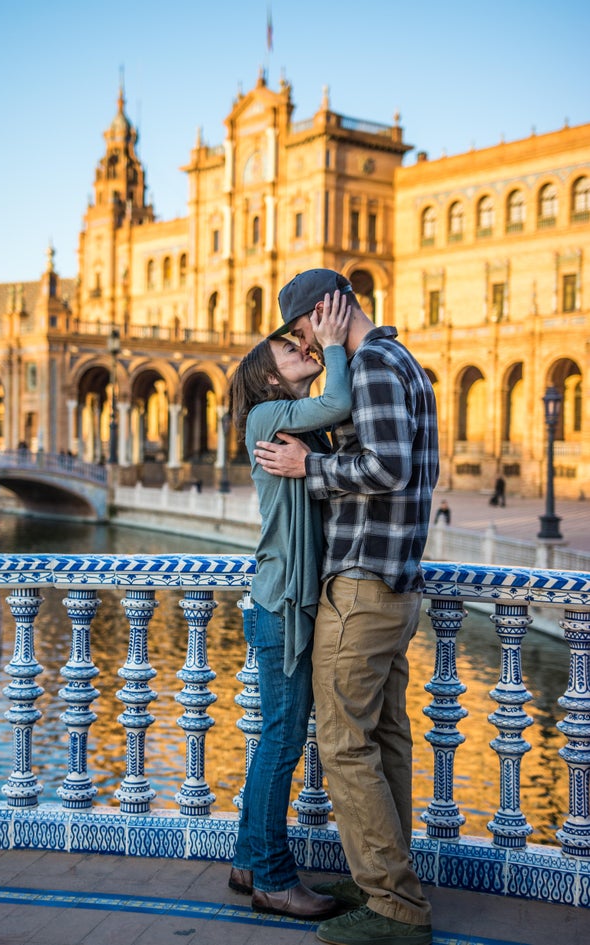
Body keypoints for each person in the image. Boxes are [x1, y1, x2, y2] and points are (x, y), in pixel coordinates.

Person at [253, 269, 438, 945]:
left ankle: (394, 907)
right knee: (384, 734)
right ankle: (385, 881)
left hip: (363, 583)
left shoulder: (376, 364)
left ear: (326, 311)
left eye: (301, 327)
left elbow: (388, 467)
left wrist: (311, 469)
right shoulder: (401, 361)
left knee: (341, 741)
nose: (302, 340)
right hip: (392, 583)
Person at [228, 290, 353, 920]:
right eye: (288, 345)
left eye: (301, 341)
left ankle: (250, 859)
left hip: (279, 598)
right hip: (281, 603)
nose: (301, 346)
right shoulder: (265, 416)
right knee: (282, 742)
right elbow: (342, 399)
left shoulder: (292, 418)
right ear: (267, 374)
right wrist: (333, 342)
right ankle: (275, 881)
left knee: (276, 737)